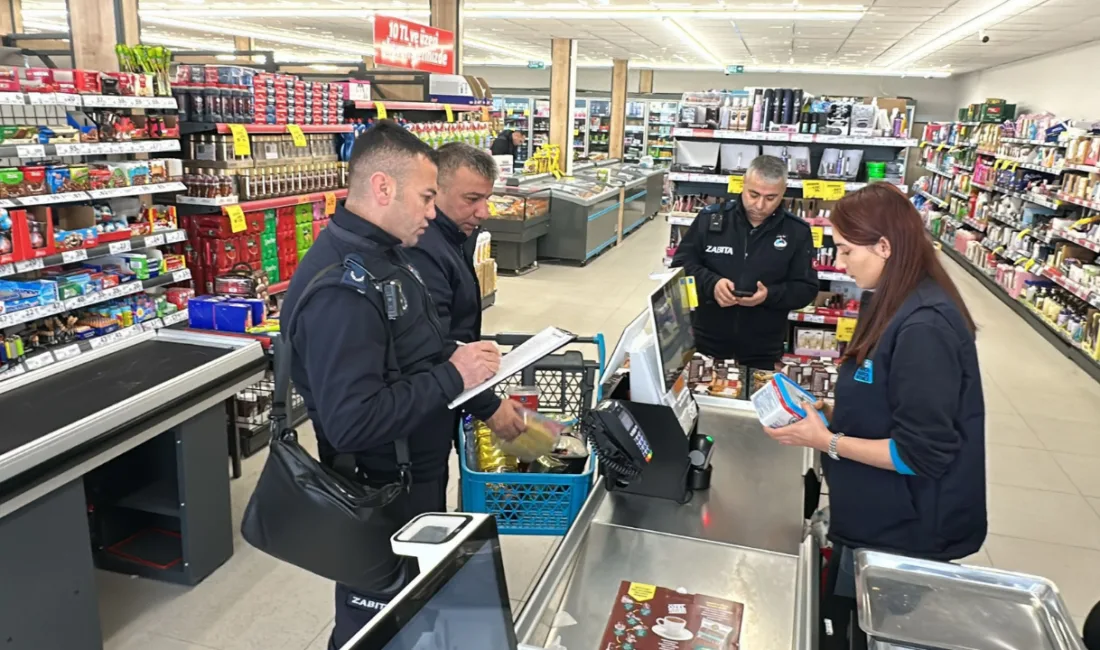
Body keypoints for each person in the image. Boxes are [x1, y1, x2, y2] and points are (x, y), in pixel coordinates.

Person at [278, 120, 502, 650]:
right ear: (383, 187)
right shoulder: (343, 289)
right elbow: (352, 422)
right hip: (379, 496)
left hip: (409, 480)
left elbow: (413, 349)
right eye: (425, 197)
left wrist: (462, 367)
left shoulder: (387, 258)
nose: (433, 212)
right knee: (374, 629)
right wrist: (454, 374)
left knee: (410, 616)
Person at [761, 184, 986, 650]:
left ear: (884, 246)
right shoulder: (894, 299)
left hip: (907, 530)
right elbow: (890, 399)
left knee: (870, 634)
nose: (840, 262)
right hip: (877, 512)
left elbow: (921, 454)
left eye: (846, 250)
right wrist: (829, 412)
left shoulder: (925, 327)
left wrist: (826, 441)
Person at [405, 143, 527, 447]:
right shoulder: (422, 249)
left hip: (445, 396)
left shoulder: (454, 237)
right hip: (420, 415)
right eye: (471, 199)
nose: (483, 212)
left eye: (487, 199)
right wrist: (489, 407)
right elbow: (432, 346)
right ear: (434, 191)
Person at [671, 154, 817, 369]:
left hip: (763, 348)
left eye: (771, 198)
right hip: (706, 340)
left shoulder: (797, 231)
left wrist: (769, 295)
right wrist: (712, 284)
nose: (760, 205)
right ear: (743, 184)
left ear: (783, 191)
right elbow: (680, 266)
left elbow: (806, 288)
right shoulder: (710, 219)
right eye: (753, 194)